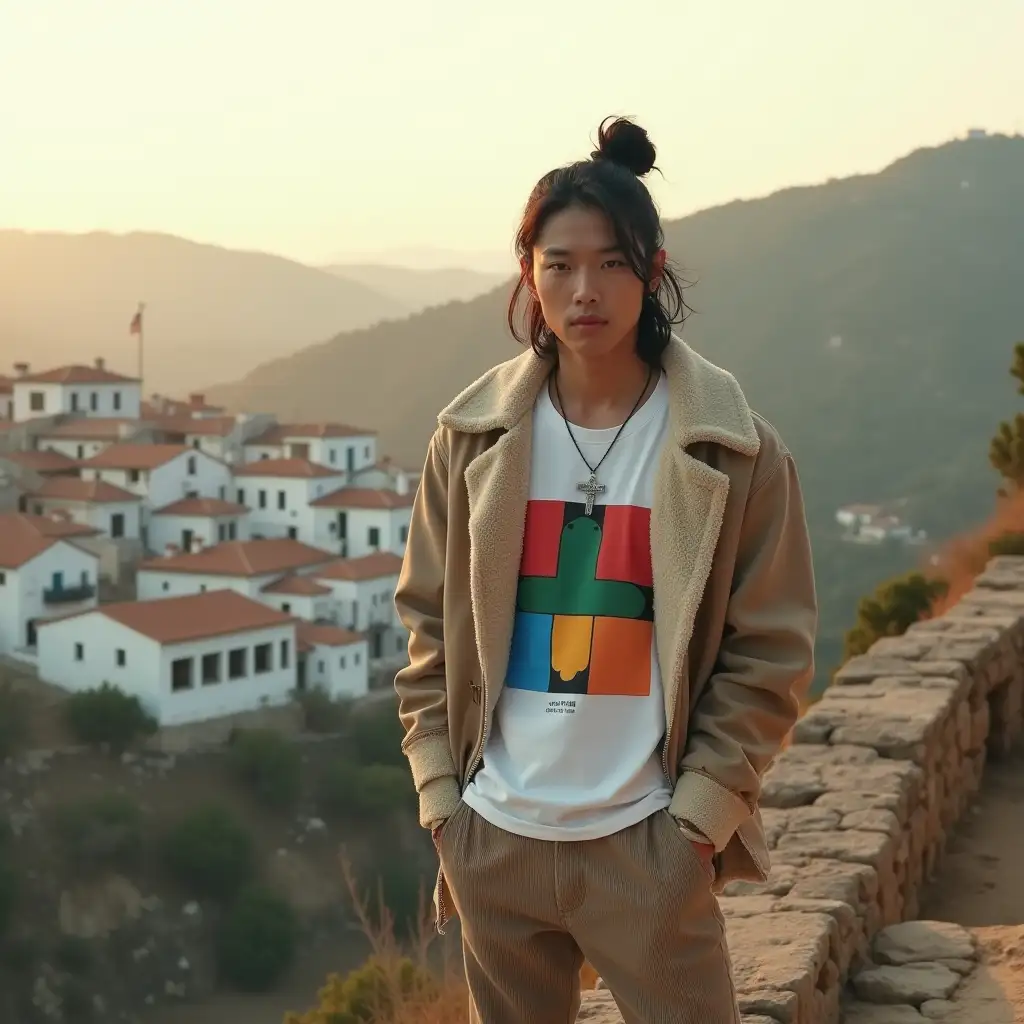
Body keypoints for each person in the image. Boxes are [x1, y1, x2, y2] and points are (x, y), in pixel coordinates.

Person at [394, 116, 817, 1024]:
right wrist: (442, 802)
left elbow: (772, 651)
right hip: (494, 839)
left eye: (613, 263)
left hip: (646, 842)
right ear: (528, 275)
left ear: (653, 271)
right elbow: (428, 624)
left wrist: (697, 820)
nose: (585, 289)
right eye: (560, 263)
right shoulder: (469, 442)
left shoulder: (733, 449)